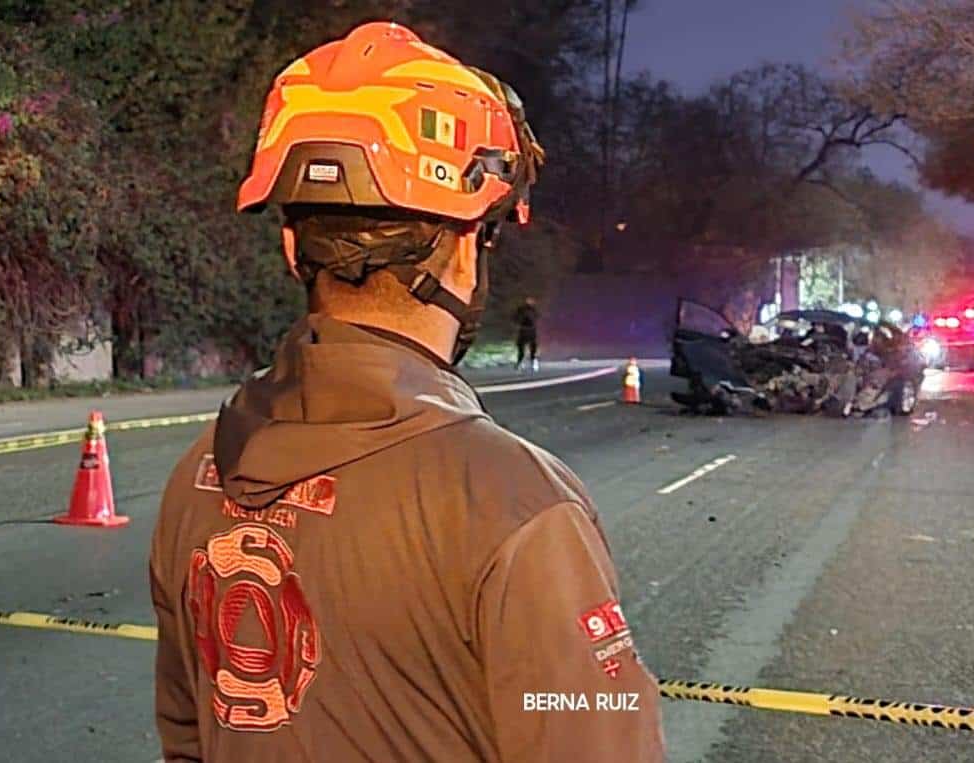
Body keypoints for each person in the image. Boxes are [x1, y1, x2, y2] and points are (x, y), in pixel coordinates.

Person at [149, 22, 664, 762]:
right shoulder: (519, 507)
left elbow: (187, 739)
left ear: (293, 248)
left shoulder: (195, 479)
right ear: (463, 248)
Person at [514, 296, 539, 371]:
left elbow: (536, 317)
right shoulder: (522, 309)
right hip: (525, 329)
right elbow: (516, 317)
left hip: (529, 329)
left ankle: (532, 361)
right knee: (521, 347)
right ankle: (520, 362)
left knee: (532, 346)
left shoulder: (533, 310)